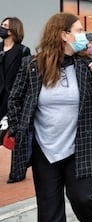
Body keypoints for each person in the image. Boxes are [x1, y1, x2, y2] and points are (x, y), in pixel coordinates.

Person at [7, 12, 92, 222]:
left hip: (79, 147)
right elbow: (15, 98)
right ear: (63, 35)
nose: (84, 37)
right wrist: (18, 129)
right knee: (49, 211)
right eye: (78, 31)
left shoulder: (87, 64)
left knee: (84, 199)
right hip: (44, 150)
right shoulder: (32, 65)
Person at [0, 17, 31, 183]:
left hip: (14, 98)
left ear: (14, 29)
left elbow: (26, 76)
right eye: (2, 25)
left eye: (6, 26)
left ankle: (17, 172)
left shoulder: (22, 51)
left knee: (16, 135)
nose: (2, 28)